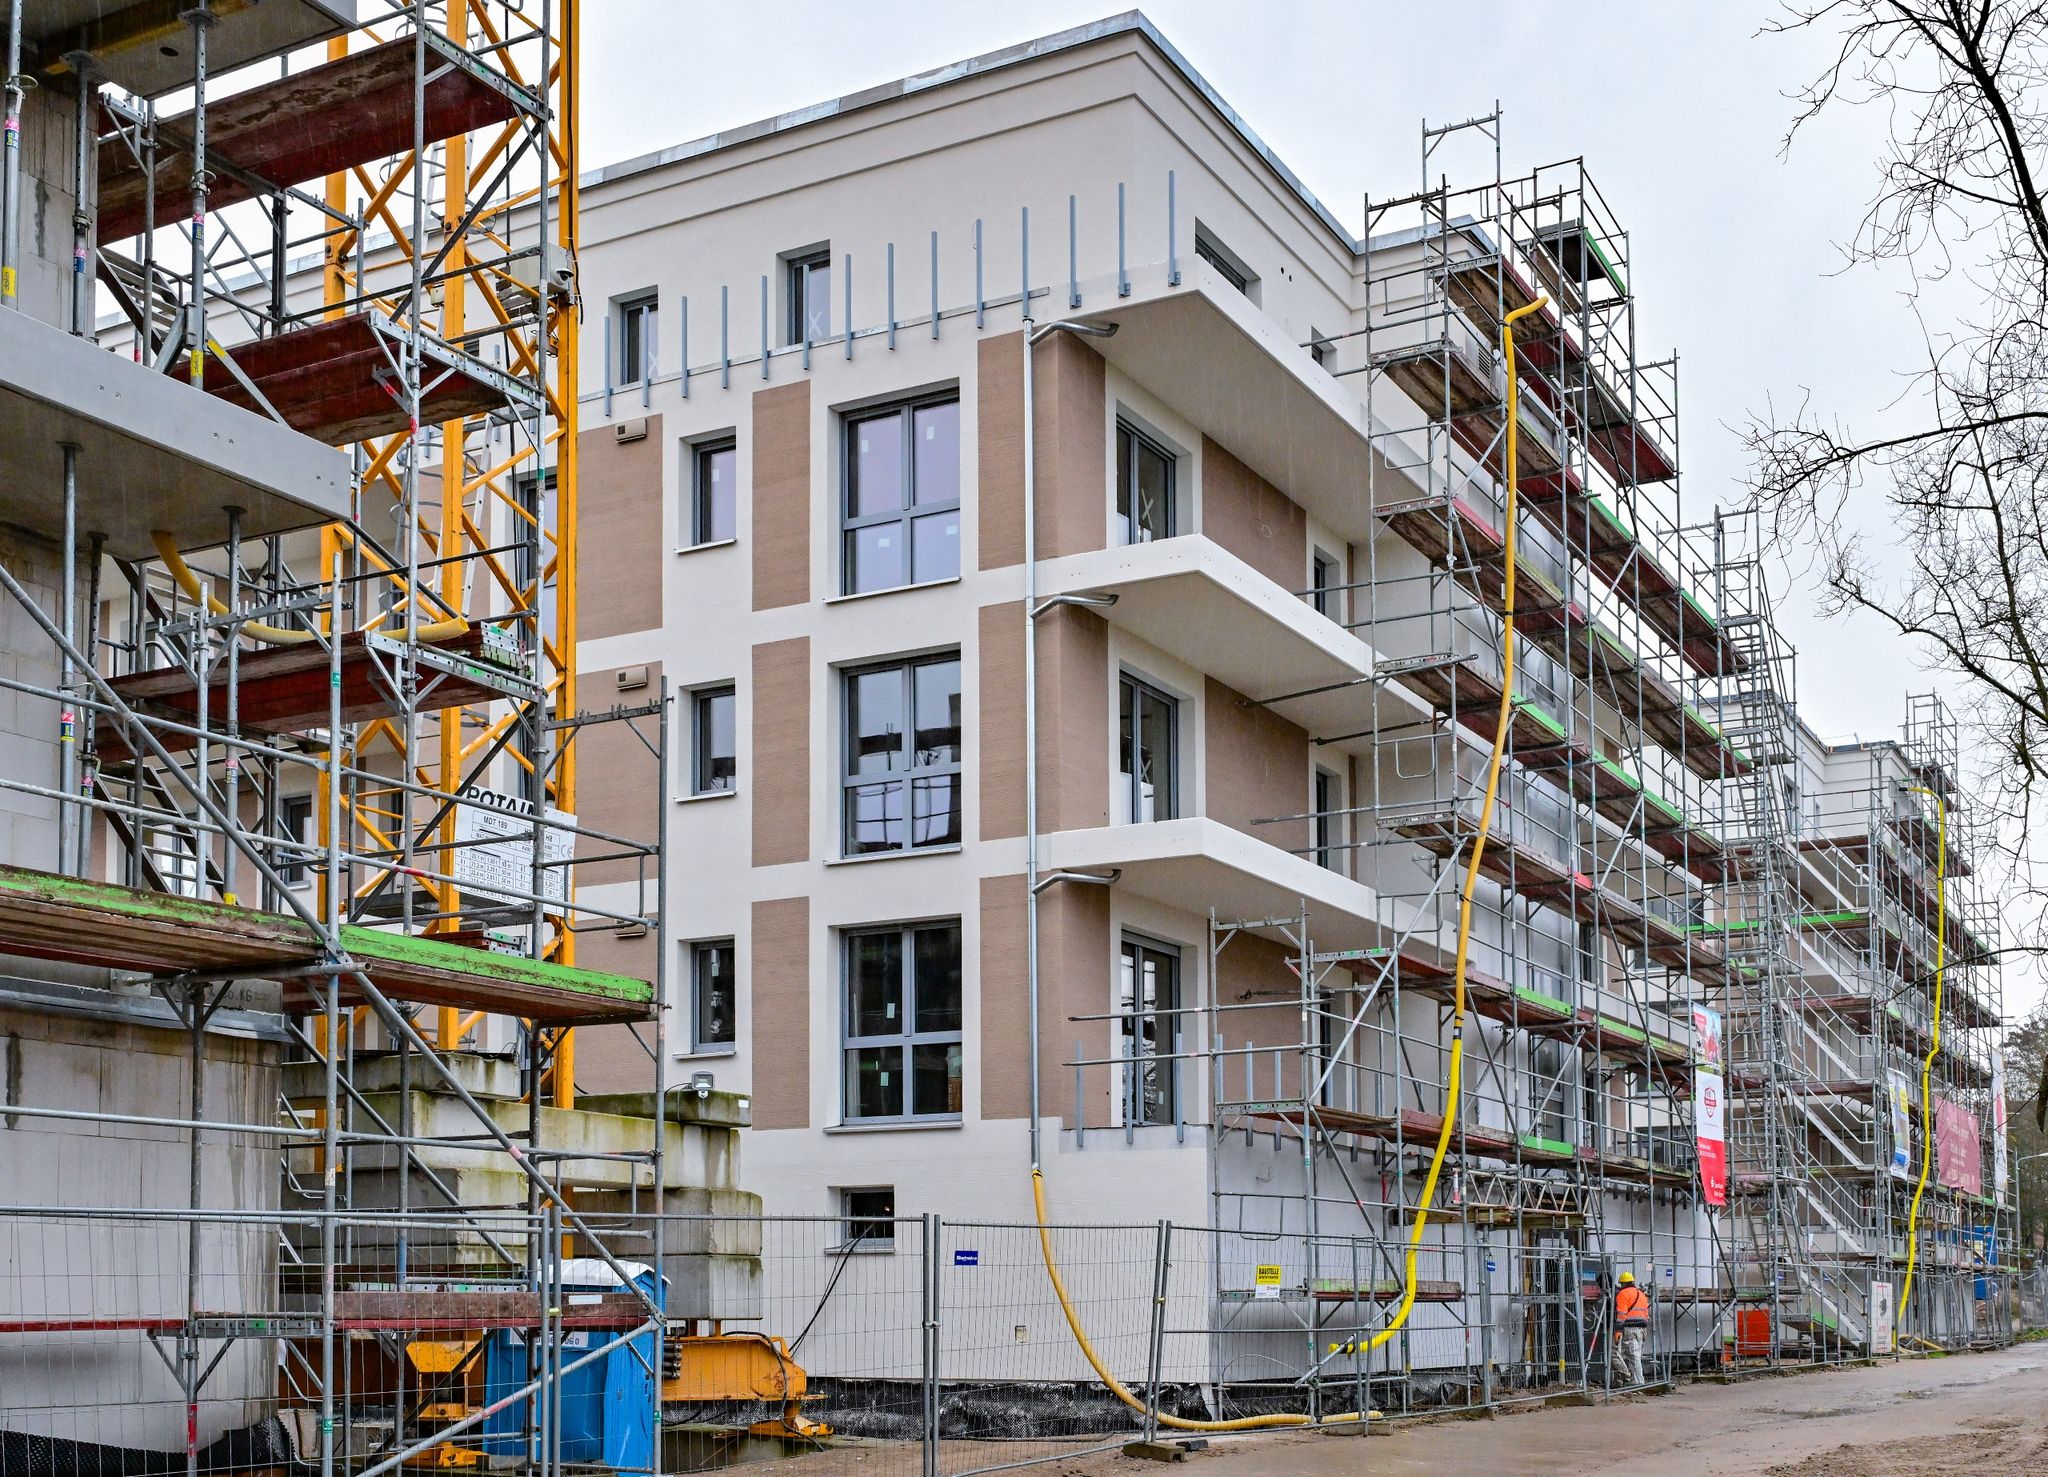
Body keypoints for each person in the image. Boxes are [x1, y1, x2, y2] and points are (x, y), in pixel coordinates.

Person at [1614, 1270, 1651, 1385]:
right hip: (1642, 1329)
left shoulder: (1622, 1294)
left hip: (1630, 1328)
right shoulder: (1641, 1294)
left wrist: (1618, 1330)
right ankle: (1636, 1379)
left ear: (1623, 1284)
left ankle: (1638, 1381)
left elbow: (1621, 1314)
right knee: (1636, 1355)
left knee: (1632, 1355)